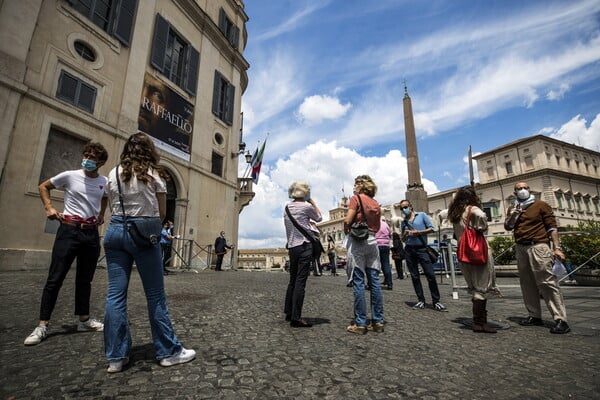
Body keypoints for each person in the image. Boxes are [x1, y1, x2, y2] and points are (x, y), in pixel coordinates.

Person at [103, 133, 195, 373]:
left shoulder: (113, 173)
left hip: (114, 231)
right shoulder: (155, 175)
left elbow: (112, 203)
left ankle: (116, 357)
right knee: (155, 295)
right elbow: (162, 213)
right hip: (143, 233)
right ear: (149, 150)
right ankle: (168, 352)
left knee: (115, 296)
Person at [24, 142, 109, 346]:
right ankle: (42, 325)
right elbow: (43, 186)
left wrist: (101, 215)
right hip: (69, 231)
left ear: (101, 161)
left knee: (85, 279)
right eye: (86, 154)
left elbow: (105, 197)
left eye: (92, 156)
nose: (87, 158)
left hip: (90, 234)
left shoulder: (104, 182)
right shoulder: (70, 175)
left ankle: (84, 319)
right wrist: (49, 208)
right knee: (55, 278)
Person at [504, 181, 570, 334]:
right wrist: (514, 214)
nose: (522, 190)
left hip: (539, 246)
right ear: (514, 192)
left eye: (525, 188)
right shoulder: (512, 208)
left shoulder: (540, 205)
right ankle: (534, 315)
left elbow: (552, 227)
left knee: (547, 282)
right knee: (527, 283)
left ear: (530, 190)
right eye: (519, 189)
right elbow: (508, 226)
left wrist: (557, 248)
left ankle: (561, 319)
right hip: (521, 247)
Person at [447, 186, 501, 333]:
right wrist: (481, 227)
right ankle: (480, 322)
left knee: (474, 286)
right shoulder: (473, 210)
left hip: (463, 252)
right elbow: (482, 218)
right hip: (477, 252)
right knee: (481, 287)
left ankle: (478, 320)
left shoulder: (455, 213)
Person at [344, 175, 384, 334]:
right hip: (373, 241)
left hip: (359, 242)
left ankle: (360, 323)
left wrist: (347, 230)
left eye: (355, 184)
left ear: (361, 186)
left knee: (359, 281)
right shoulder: (375, 203)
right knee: (374, 281)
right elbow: (378, 225)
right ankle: (378, 322)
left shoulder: (356, 199)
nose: (354, 187)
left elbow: (348, 220)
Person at [283, 181, 322, 328]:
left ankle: (288, 312)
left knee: (292, 280)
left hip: (292, 247)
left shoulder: (287, 207)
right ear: (305, 193)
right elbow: (318, 218)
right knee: (301, 281)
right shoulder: (306, 206)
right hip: (305, 246)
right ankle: (296, 317)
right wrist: (311, 200)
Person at [399, 199, 448, 312]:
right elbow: (403, 239)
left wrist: (418, 232)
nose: (404, 210)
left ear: (410, 206)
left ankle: (436, 301)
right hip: (409, 250)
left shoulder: (421, 215)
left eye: (405, 207)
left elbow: (432, 228)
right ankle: (421, 300)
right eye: (401, 208)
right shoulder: (404, 222)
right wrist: (405, 235)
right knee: (415, 276)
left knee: (430, 275)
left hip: (422, 249)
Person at [376, 218, 393, 290]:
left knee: (375, 265)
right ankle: (389, 283)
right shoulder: (385, 224)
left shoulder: (373, 224)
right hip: (385, 245)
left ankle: (373, 283)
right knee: (386, 264)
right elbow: (390, 234)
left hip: (376, 245)